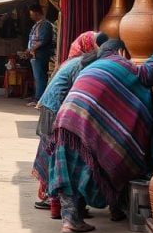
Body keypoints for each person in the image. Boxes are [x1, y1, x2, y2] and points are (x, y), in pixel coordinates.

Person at [45, 40, 153, 233]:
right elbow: (146, 73)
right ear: (121, 51)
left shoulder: (94, 64)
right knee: (101, 162)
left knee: (70, 167)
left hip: (67, 119)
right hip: (85, 121)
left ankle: (70, 221)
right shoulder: (120, 62)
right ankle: (104, 211)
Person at [31, 34, 106, 214]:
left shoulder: (75, 61)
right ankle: (55, 199)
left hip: (50, 108)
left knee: (53, 152)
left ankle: (54, 199)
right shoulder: (81, 65)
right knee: (57, 154)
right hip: (54, 109)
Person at [26, 4, 54, 106]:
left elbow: (42, 41)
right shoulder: (37, 24)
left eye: (31, 14)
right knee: (37, 77)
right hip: (35, 54)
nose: (31, 16)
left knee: (40, 77)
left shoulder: (45, 24)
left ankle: (39, 99)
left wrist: (31, 49)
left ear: (36, 13)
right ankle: (36, 96)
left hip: (40, 54)